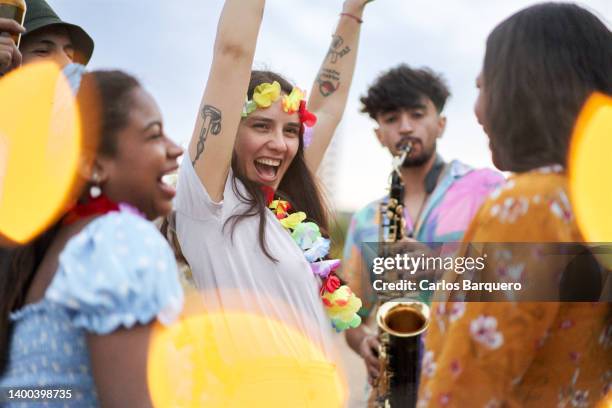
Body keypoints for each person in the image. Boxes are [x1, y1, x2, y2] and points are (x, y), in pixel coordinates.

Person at [0, 1, 257, 405]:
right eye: (154, 134)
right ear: (93, 162)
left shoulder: (66, 239)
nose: (175, 151)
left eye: (73, 55)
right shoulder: (114, 241)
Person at [418, 3, 612, 407]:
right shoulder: (590, 199)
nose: (477, 111)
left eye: (483, 86)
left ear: (523, 89)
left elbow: (464, 392)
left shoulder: (531, 205)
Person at [174, 0, 373, 360]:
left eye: (291, 130)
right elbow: (232, 54)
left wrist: (353, 11)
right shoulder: (209, 200)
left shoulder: (282, 207)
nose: (280, 144)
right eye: (261, 126)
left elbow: (327, 107)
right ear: (229, 130)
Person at [342, 64, 504, 382]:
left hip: (471, 384)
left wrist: (440, 265)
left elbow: (526, 277)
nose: (405, 127)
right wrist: (363, 341)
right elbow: (351, 316)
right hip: (395, 386)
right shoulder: (364, 220)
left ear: (440, 124)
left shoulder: (488, 189)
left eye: (417, 114)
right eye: (391, 119)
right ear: (379, 135)